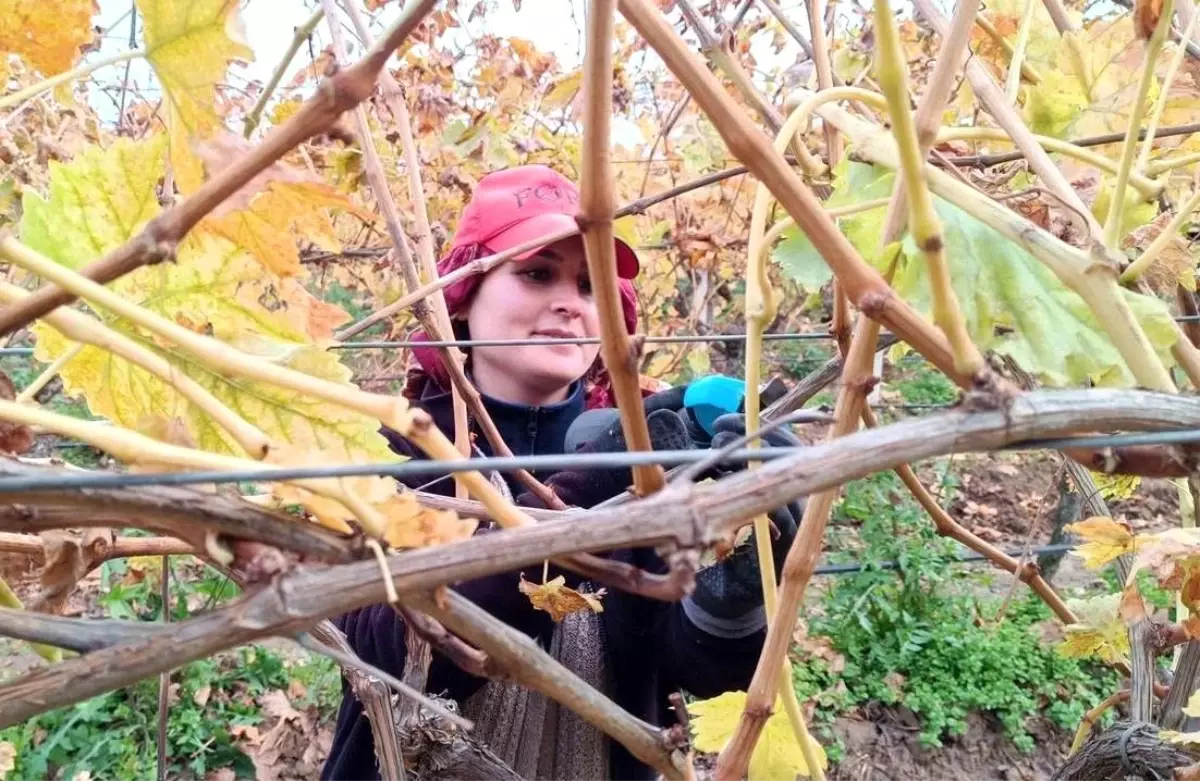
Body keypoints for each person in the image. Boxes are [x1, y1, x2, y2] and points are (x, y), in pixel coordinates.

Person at [321, 165, 805, 781]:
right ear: (462, 299)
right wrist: (584, 505)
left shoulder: (641, 448)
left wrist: (739, 592)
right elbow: (386, 657)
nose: (569, 303)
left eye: (588, 284)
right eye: (536, 272)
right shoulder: (387, 450)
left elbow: (688, 669)